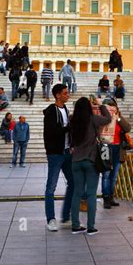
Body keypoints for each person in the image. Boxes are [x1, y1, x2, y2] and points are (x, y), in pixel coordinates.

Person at [69, 97, 112, 234]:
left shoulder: (72, 121)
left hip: (76, 161)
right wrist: (100, 105)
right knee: (91, 194)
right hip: (90, 160)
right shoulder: (93, 119)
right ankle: (91, 227)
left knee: (77, 193)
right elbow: (108, 118)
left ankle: (75, 225)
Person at [43, 83, 74, 232]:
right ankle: (51, 219)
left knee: (73, 183)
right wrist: (69, 126)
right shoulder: (51, 111)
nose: (67, 95)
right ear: (57, 95)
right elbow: (52, 132)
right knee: (51, 187)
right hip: (55, 154)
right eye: (65, 93)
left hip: (67, 152)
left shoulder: (66, 110)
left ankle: (66, 217)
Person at [99, 98, 131, 210]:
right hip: (106, 147)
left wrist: (118, 118)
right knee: (106, 174)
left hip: (118, 148)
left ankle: (111, 197)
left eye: (113, 108)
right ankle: (106, 198)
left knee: (114, 175)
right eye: (109, 108)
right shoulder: (102, 118)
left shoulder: (118, 119)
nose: (111, 110)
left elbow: (128, 128)